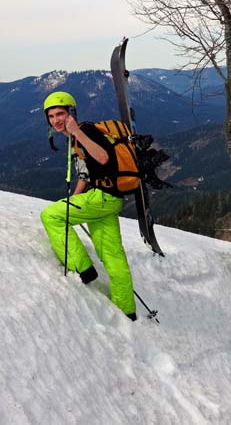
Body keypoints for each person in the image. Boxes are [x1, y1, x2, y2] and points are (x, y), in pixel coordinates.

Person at [39, 91, 137, 321]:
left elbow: (103, 158)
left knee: (51, 216)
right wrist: (74, 199)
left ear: (71, 112)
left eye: (60, 114)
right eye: (51, 116)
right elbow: (86, 174)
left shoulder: (86, 131)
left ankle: (82, 268)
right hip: (107, 201)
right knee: (113, 256)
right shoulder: (77, 137)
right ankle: (126, 310)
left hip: (102, 198)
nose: (56, 120)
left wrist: (77, 133)